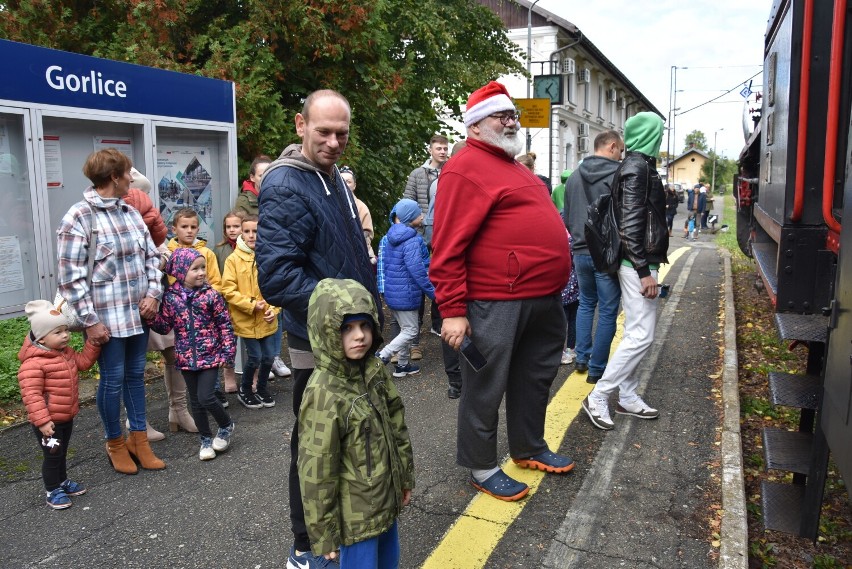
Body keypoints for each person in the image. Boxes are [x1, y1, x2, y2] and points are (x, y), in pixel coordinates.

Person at [431, 81, 575, 502]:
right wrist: (453, 310)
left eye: (512, 115)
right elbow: (446, 246)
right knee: (486, 385)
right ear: (475, 125)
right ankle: (481, 465)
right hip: (497, 301)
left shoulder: (513, 165)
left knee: (535, 377)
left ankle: (528, 446)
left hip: (542, 300)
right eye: (502, 115)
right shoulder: (464, 167)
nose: (511, 121)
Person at [255, 89, 380, 569]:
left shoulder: (330, 179)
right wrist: (349, 312)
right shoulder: (288, 184)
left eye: (341, 133)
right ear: (299, 125)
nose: (333, 141)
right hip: (317, 344)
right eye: (323, 131)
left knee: (342, 440)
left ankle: (332, 536)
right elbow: (278, 277)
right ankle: (305, 547)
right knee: (314, 445)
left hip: (346, 339)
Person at [57, 148, 165, 475]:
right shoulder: (79, 216)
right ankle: (115, 442)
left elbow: (153, 257)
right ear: (114, 177)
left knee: (136, 377)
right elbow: (70, 277)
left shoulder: (130, 212)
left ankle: (139, 440)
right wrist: (90, 323)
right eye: (129, 172)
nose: (133, 178)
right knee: (113, 379)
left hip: (138, 314)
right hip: (105, 319)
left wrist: (153, 294)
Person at [298, 278, 414, 567]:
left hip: (386, 503)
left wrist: (404, 478)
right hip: (356, 520)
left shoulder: (375, 372)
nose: (359, 335)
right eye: (346, 328)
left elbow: (397, 426)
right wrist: (323, 532)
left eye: (364, 325)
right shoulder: (324, 392)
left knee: (390, 562)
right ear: (326, 331)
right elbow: (316, 468)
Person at [582, 111, 668, 431]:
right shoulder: (637, 169)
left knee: (635, 332)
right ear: (649, 135)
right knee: (642, 336)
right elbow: (631, 225)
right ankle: (599, 396)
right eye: (658, 132)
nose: (661, 138)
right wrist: (644, 270)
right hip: (637, 264)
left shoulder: (636, 166)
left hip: (639, 262)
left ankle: (628, 395)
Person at [125, 168, 197, 437]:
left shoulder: (150, 221)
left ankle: (178, 410)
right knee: (133, 362)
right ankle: (135, 422)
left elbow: (164, 252)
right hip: (130, 300)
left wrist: (163, 261)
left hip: (158, 298)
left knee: (173, 353)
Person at [147, 248, 237, 460]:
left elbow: (225, 325)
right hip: (185, 357)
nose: (201, 272)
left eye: (203, 267)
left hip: (210, 355)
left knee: (206, 396)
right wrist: (149, 316)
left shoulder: (211, 295)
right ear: (179, 271)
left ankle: (225, 425)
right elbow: (164, 326)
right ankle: (205, 439)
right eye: (195, 269)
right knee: (195, 401)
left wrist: (228, 352)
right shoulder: (171, 298)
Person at [18, 300, 100, 509]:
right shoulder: (33, 364)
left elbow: (82, 363)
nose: (65, 335)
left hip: (66, 416)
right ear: (41, 338)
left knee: (61, 452)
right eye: (58, 332)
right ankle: (52, 489)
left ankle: (62, 481)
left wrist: (93, 343)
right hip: (48, 422)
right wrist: (43, 422)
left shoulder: (66, 353)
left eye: (66, 330)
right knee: (52, 455)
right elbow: (32, 395)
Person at [562, 130, 624, 383]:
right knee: (608, 310)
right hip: (605, 254)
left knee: (586, 303)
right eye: (620, 150)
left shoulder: (574, 176)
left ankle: (582, 358)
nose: (622, 155)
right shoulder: (617, 174)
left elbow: (566, 216)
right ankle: (598, 369)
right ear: (610, 147)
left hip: (579, 251)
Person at [221, 214, 279, 409]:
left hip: (267, 320)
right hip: (245, 319)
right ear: (241, 233)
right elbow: (228, 290)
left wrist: (273, 309)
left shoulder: (270, 256)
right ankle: (245, 389)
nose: (252, 235)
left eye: (256, 231)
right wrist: (251, 304)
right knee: (255, 357)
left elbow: (277, 288)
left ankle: (261, 388)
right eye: (247, 231)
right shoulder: (233, 259)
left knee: (269, 357)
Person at [375, 199, 435, 378]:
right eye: (419, 214)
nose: (422, 216)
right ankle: (382, 356)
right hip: (406, 293)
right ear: (410, 217)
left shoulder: (391, 236)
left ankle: (402, 365)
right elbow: (417, 270)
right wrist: (432, 292)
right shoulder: (411, 240)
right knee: (410, 331)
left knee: (404, 329)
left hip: (394, 292)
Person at [403, 134, 448, 361]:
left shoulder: (451, 172)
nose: (442, 151)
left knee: (441, 278)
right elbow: (407, 202)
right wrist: (421, 219)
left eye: (445, 148)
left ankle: (438, 323)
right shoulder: (417, 174)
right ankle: (415, 331)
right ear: (430, 150)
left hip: (443, 234)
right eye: (438, 148)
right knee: (419, 281)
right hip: (420, 234)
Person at [213, 209, 246, 394]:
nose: (232, 230)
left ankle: (253, 374)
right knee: (228, 342)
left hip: (246, 301)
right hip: (226, 303)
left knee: (250, 341)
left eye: (236, 226)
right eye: (228, 227)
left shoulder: (250, 247)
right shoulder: (219, 249)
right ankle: (229, 373)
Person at [339, 166, 377, 265]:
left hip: (356, 256)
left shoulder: (361, 207)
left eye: (348, 181)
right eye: (342, 181)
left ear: (354, 185)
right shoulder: (329, 202)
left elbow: (366, 235)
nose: (345, 184)